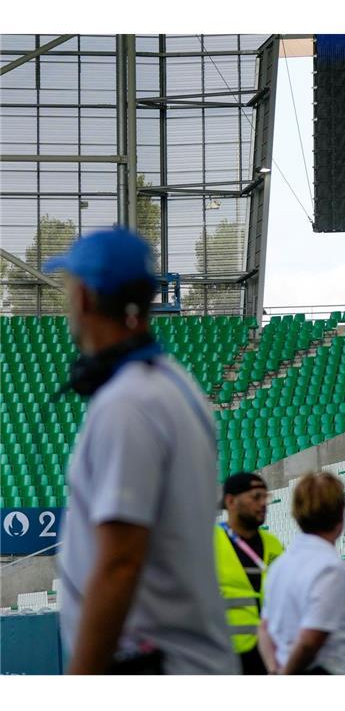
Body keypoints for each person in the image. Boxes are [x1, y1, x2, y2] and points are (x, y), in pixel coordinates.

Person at [48, 228, 234, 674]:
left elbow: (120, 563)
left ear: (87, 298)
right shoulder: (172, 384)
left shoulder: (127, 404)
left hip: (153, 668)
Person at [260, 471, 345, 674]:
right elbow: (310, 641)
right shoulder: (329, 567)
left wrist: (273, 668)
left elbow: (264, 627)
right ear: (340, 515)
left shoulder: (280, 565)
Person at [216, 471, 285, 674]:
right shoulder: (208, 542)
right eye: (256, 497)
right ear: (230, 501)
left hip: (271, 655)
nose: (263, 503)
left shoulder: (273, 544)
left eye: (266, 497)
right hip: (226, 656)